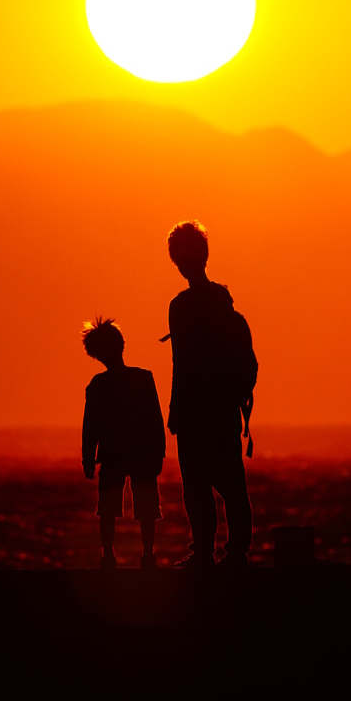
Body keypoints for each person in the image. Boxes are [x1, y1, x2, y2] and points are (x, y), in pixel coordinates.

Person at [166, 220, 254, 570]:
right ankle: (236, 554)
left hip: (195, 410)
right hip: (223, 408)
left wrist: (174, 409)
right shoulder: (223, 303)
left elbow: (181, 363)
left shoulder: (181, 306)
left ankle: (205, 552)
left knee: (198, 486)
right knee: (231, 482)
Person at [81, 317, 166, 570]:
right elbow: (155, 419)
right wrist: (159, 452)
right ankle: (147, 555)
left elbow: (90, 427)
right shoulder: (142, 378)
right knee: (144, 506)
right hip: (138, 453)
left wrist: (88, 458)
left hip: (114, 454)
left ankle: (110, 556)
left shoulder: (99, 385)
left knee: (111, 508)